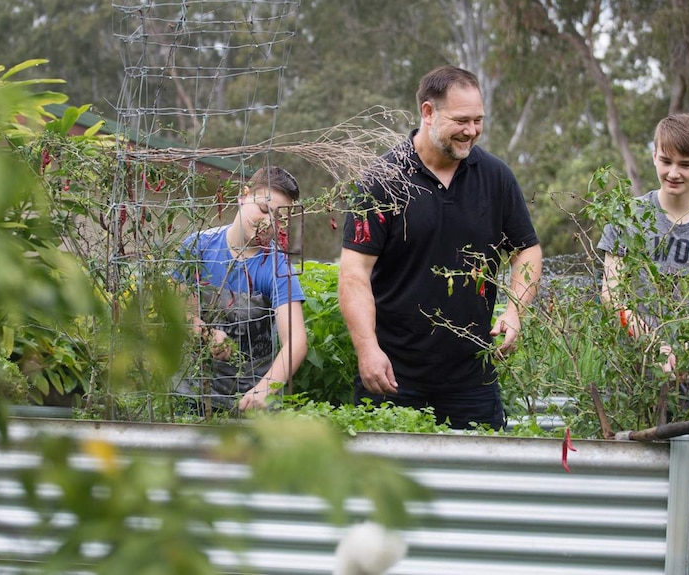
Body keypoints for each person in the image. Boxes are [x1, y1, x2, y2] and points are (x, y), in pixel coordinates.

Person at [338, 65, 543, 430]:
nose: (472, 131)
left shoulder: (496, 178)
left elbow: (526, 250)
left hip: (471, 377)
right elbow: (355, 274)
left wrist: (514, 312)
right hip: (391, 373)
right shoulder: (383, 179)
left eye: (478, 120)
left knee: (475, 482)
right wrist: (367, 349)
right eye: (461, 120)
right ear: (428, 112)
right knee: (385, 484)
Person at [598, 113, 689, 370]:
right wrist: (653, 343)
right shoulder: (627, 216)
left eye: (686, 165)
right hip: (633, 370)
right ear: (654, 155)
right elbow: (612, 294)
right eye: (666, 161)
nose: (674, 173)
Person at [175, 166, 307, 413]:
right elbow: (178, 312)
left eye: (279, 218)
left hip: (248, 402)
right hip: (191, 395)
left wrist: (265, 388)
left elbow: (296, 341)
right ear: (243, 196)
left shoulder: (276, 265)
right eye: (264, 209)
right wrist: (205, 334)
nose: (268, 222)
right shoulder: (197, 248)